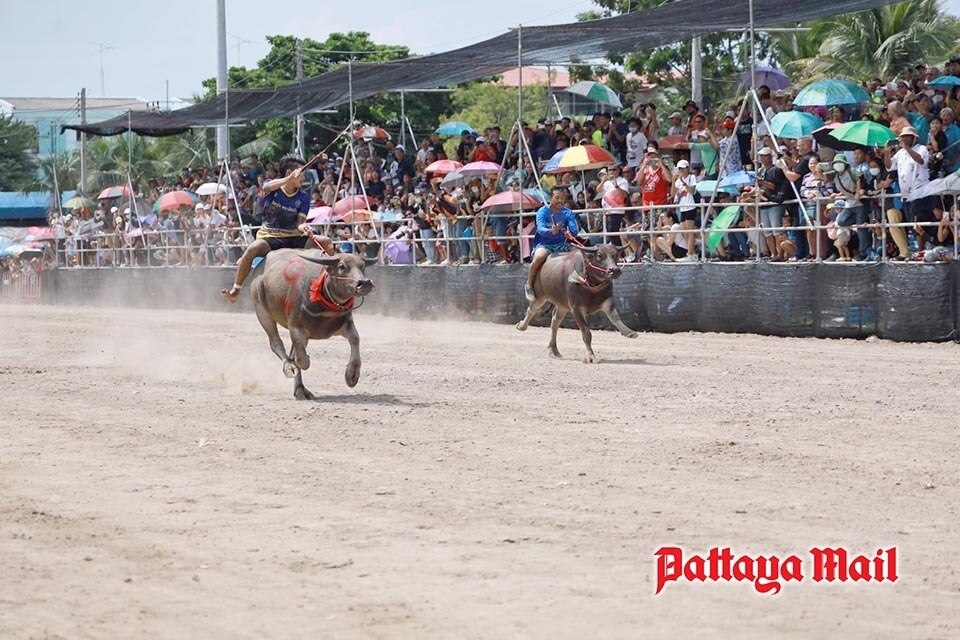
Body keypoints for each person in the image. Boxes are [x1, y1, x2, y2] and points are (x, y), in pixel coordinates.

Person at [221, 154, 334, 303]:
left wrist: (303, 226)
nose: (304, 179)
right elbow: (266, 187)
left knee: (326, 242)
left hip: (294, 237)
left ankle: (329, 285)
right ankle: (236, 290)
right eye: (301, 175)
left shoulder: (304, 196)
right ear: (289, 173)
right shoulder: (271, 186)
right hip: (270, 237)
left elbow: (300, 220)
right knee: (252, 249)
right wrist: (289, 179)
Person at [524, 186, 579, 301]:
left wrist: (570, 231)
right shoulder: (542, 211)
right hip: (544, 244)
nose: (560, 201)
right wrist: (550, 231)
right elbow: (540, 229)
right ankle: (529, 284)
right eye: (557, 198)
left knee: (579, 254)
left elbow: (574, 230)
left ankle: (574, 280)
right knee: (539, 257)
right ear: (550, 198)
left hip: (561, 244)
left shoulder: (568, 213)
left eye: (562, 198)